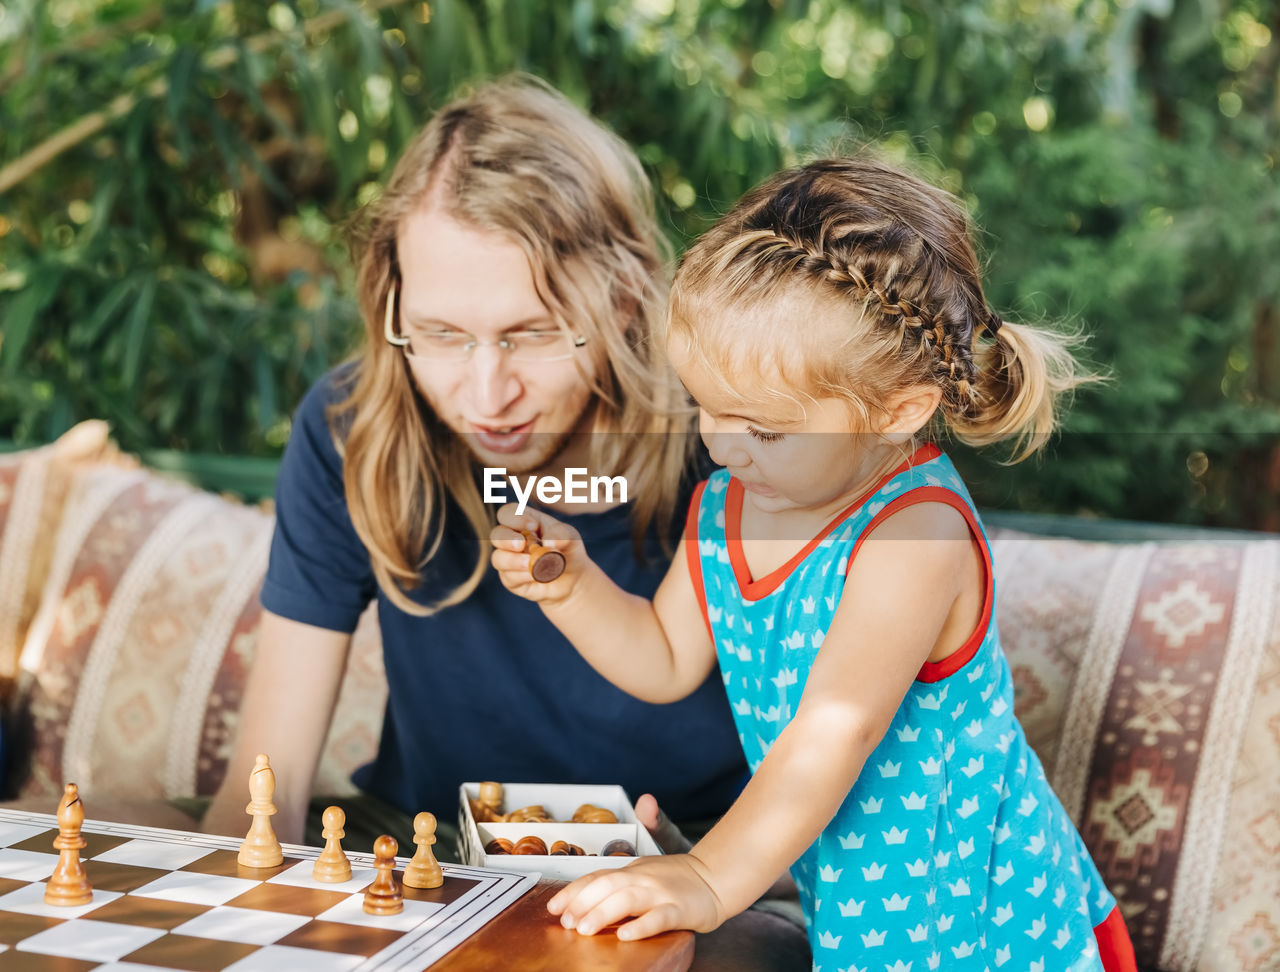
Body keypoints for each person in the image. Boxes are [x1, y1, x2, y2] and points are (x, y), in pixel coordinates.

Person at [201, 74, 810, 970]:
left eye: (530, 333)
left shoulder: (729, 441)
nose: (486, 397)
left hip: (702, 864)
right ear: (392, 306)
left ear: (624, 298)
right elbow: (267, 783)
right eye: (441, 335)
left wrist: (701, 875)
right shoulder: (349, 430)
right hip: (428, 849)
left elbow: (836, 751)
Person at [491, 156, 1139, 970]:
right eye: (705, 407)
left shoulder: (918, 533)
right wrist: (575, 586)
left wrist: (704, 874)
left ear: (898, 411)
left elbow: (836, 729)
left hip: (984, 925)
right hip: (861, 917)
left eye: (763, 429)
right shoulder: (725, 505)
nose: (721, 445)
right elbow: (661, 657)